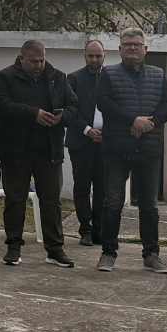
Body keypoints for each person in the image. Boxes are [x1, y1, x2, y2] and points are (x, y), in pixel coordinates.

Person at [92, 28, 167, 273]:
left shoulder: (159, 75)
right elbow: (104, 103)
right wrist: (133, 120)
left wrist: (151, 122)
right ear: (119, 49)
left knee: (149, 205)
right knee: (113, 202)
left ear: (145, 49)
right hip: (117, 149)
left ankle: (151, 254)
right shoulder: (108, 74)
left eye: (137, 45)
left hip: (148, 148)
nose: (132, 48)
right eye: (127, 45)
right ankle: (108, 253)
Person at [0, 39, 75, 268]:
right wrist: (33, 113)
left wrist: (61, 117)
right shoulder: (5, 77)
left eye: (41, 60)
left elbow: (73, 107)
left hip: (49, 149)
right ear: (22, 58)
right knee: (15, 200)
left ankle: (55, 249)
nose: (38, 65)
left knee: (51, 201)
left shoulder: (58, 77)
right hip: (16, 150)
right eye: (33, 61)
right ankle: (13, 247)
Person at [64, 39, 107, 248]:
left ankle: (99, 230)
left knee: (102, 188)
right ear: (85, 56)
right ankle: (85, 230)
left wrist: (106, 133)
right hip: (81, 141)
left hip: (106, 143)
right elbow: (70, 111)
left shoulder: (112, 77)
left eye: (98, 56)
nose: (94, 59)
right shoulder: (73, 79)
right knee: (82, 187)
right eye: (91, 56)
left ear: (104, 55)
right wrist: (88, 130)